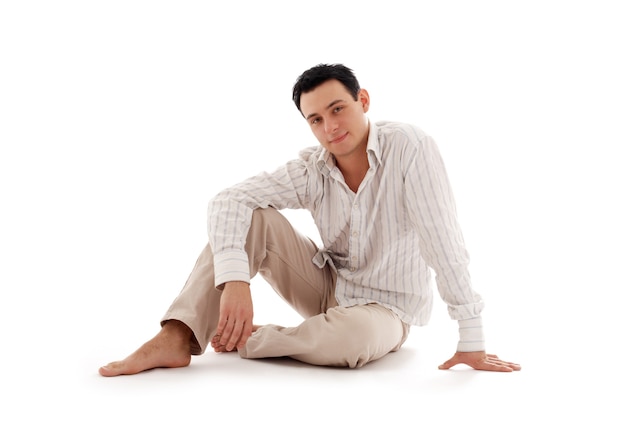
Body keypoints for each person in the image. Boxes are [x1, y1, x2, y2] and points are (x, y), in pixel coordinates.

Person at [99, 63, 520, 377]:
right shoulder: (312, 168)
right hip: (326, 289)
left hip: (388, 310)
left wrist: (472, 337)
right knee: (251, 216)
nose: (330, 127)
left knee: (351, 340)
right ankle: (176, 336)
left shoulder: (410, 148)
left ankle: (247, 337)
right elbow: (228, 200)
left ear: (364, 101)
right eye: (316, 119)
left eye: (338, 109)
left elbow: (442, 240)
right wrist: (235, 281)